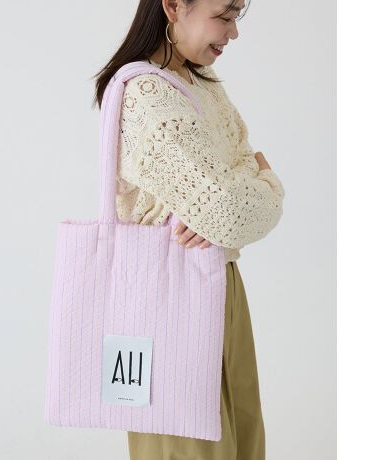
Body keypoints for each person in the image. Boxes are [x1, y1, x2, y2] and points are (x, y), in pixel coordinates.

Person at [92, 1, 285, 459]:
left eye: (238, 16)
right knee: (188, 445)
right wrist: (266, 184)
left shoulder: (201, 83)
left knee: (241, 438)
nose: (233, 32)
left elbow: (230, 204)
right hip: (168, 291)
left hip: (222, 282)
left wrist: (242, 196)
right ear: (174, 6)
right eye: (224, 15)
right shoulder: (147, 94)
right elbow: (229, 210)